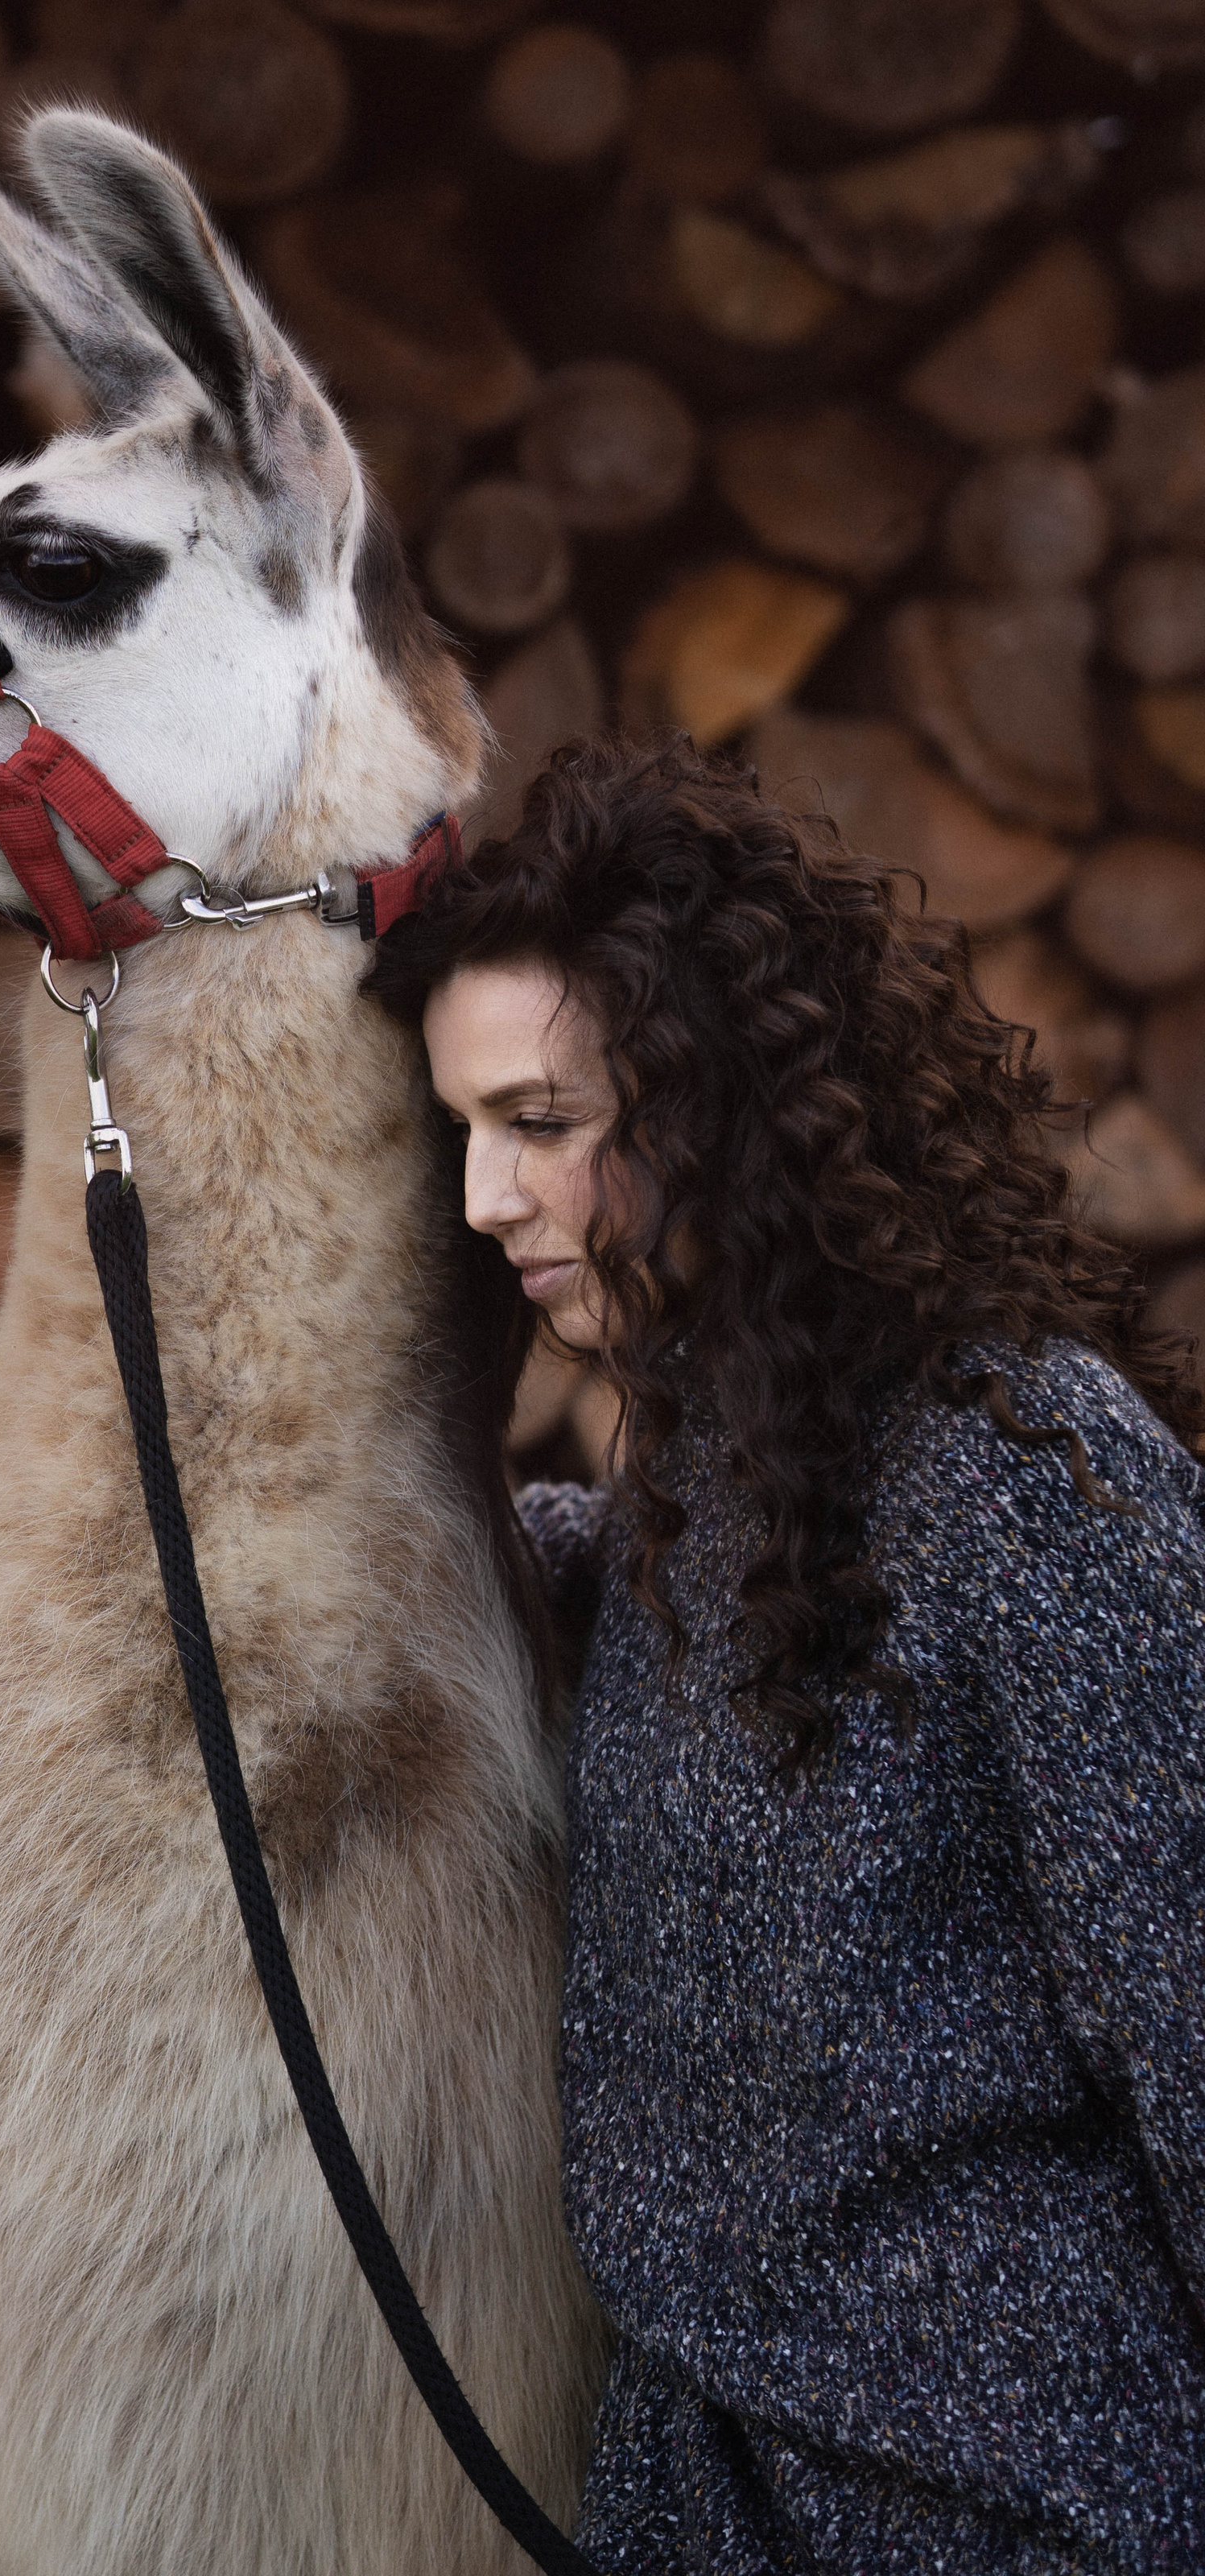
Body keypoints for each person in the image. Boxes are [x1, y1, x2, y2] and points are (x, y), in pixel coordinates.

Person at [367, 733, 1205, 2574]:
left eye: (538, 1125)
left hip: (1035, 2508)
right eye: (459, 1133)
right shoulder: (674, 1514)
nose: (478, 1204)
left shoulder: (1014, 1472)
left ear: (712, 1112)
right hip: (706, 2505)